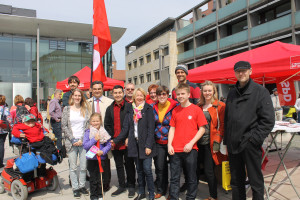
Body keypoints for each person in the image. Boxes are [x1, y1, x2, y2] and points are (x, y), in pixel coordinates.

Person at [224, 61, 275, 200]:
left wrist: (254, 140)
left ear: (250, 71)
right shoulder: (232, 93)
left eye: (244, 70)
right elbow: (227, 118)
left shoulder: (260, 91)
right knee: (235, 181)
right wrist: (226, 141)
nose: (241, 73)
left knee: (255, 181)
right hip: (233, 144)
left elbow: (268, 120)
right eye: (238, 71)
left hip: (250, 143)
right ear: (235, 73)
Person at [112, 88, 156, 200]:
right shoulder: (130, 110)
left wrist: (148, 146)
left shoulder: (148, 109)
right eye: (138, 96)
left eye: (142, 95)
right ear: (134, 97)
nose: (139, 98)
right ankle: (141, 192)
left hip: (145, 145)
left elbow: (151, 129)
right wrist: (115, 140)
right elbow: (125, 128)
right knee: (139, 170)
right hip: (134, 144)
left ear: (144, 96)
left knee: (147, 170)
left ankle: (151, 193)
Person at [168, 83, 207, 200]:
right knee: (174, 178)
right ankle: (174, 197)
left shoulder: (196, 109)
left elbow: (202, 129)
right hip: (175, 149)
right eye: (178, 94)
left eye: (182, 94)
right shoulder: (175, 110)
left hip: (190, 150)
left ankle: (190, 197)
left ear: (189, 94)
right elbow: (172, 128)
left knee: (191, 177)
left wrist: (191, 143)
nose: (180, 96)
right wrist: (169, 145)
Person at [171, 64, 201, 192]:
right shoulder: (174, 90)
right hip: (179, 128)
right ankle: (187, 184)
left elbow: (198, 106)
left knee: (193, 165)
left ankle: (192, 185)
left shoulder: (194, 87)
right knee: (183, 165)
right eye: (177, 72)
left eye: (182, 72)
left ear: (186, 73)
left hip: (193, 129)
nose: (180, 74)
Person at [104, 85, 136, 198]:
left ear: (123, 93)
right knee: (118, 165)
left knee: (129, 165)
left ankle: (131, 185)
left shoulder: (129, 107)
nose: (117, 95)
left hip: (127, 141)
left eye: (119, 92)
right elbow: (107, 125)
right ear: (112, 94)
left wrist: (128, 137)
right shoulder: (109, 108)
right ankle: (122, 185)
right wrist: (111, 140)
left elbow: (132, 124)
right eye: (115, 93)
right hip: (115, 143)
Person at [198, 81, 227, 200]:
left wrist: (218, 140)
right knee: (196, 169)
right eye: (205, 90)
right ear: (202, 92)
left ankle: (213, 196)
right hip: (198, 143)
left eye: (209, 90)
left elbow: (223, 125)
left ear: (214, 91)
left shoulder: (220, 106)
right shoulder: (198, 106)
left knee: (209, 171)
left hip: (211, 143)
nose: (207, 93)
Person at [62, 88, 91, 199]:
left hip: (83, 142)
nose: (77, 97)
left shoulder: (85, 109)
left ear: (81, 97)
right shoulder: (67, 109)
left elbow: (88, 125)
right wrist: (73, 139)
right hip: (71, 143)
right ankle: (75, 188)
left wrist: (82, 139)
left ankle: (82, 185)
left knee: (84, 167)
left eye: (79, 96)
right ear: (72, 97)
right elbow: (64, 126)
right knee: (73, 167)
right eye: (76, 95)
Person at [87, 80, 113, 192]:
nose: (97, 91)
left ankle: (105, 183)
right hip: (92, 137)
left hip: (105, 137)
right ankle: (95, 183)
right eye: (95, 89)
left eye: (99, 88)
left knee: (105, 161)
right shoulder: (87, 102)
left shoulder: (109, 101)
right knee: (92, 161)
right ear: (91, 90)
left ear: (102, 89)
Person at [152, 86, 178, 199]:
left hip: (172, 141)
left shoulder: (175, 106)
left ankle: (172, 193)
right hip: (159, 142)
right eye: (159, 94)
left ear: (168, 95)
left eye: (164, 94)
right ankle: (161, 190)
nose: (162, 96)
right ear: (157, 96)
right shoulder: (153, 107)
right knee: (160, 167)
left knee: (174, 168)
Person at [83, 113, 111, 200]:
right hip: (92, 159)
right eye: (93, 121)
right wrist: (94, 139)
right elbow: (85, 145)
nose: (95, 123)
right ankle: (93, 195)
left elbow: (108, 144)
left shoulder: (104, 132)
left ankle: (100, 194)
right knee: (93, 178)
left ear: (101, 121)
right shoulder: (88, 132)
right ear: (90, 122)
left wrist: (102, 151)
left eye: (97, 121)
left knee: (100, 178)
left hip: (101, 158)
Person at [0, 95, 12, 168]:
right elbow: (9, 119)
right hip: (3, 130)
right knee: (1, 145)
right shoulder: (5, 108)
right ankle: (0, 162)